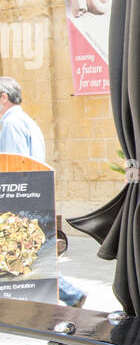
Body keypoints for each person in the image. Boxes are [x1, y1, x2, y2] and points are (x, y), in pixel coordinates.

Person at [0, 76, 85, 308]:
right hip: (37, 197)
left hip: (20, 201)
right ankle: (71, 294)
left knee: (25, 258)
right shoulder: (28, 122)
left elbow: (13, 166)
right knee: (33, 256)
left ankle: (69, 294)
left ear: (3, 97)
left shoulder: (10, 124)